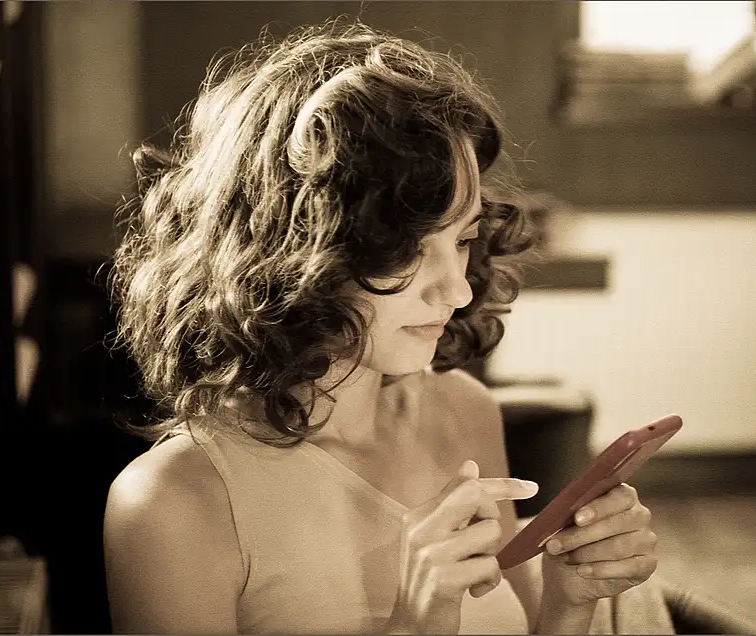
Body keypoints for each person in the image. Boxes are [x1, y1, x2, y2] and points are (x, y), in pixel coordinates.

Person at [103, 18, 660, 635]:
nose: (458, 290)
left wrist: (570, 602)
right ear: (291, 251)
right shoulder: (172, 504)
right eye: (408, 249)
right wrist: (412, 628)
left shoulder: (464, 411)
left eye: (463, 240)